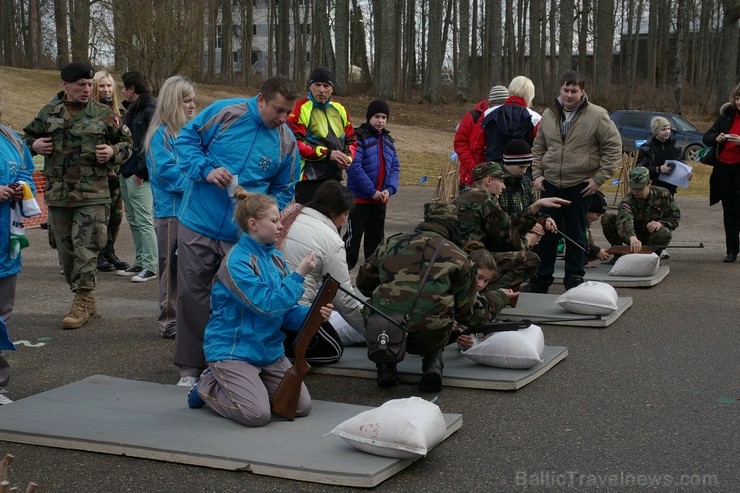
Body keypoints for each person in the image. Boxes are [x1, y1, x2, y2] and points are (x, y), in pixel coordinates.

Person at [172, 75, 300, 387]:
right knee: (192, 295)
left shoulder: (286, 142)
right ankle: (190, 367)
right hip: (199, 221)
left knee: (236, 299)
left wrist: (267, 215)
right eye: (277, 110)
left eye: (287, 113)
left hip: (242, 236)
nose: (282, 119)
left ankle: (229, 363)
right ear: (261, 100)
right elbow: (186, 140)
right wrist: (206, 170)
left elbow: (285, 188)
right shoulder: (225, 112)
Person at [186, 190, 332, 427]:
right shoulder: (237, 262)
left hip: (268, 351)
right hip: (233, 350)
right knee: (257, 415)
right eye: (274, 221)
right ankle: (207, 385)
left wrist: (313, 315)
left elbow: (287, 313)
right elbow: (268, 306)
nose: (280, 226)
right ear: (253, 224)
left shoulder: (275, 258)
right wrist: (298, 275)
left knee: (299, 406)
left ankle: (246, 385)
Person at [23, 62, 133, 329]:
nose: (86, 89)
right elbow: (25, 140)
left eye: (89, 84)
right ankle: (83, 294)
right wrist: (34, 145)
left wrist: (112, 153)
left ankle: (83, 299)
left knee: (86, 248)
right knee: (66, 251)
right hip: (59, 195)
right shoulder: (49, 113)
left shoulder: (103, 113)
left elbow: (127, 144)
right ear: (65, 85)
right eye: (80, 85)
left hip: (93, 194)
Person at [356, 202, 503, 391]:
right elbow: (468, 312)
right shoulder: (459, 257)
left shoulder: (390, 243)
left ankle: (386, 365)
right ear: (452, 226)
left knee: (373, 306)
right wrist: (498, 298)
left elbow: (363, 283)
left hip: (387, 328)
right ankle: (433, 365)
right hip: (431, 333)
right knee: (441, 310)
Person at [527, 71, 622, 292]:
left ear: (582, 91)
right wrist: (537, 174)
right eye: (566, 90)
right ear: (560, 89)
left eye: (574, 91)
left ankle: (574, 279)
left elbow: (613, 147)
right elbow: (539, 146)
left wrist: (598, 179)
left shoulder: (597, 115)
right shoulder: (549, 114)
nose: (569, 95)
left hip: (579, 185)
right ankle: (541, 280)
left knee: (575, 233)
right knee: (546, 234)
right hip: (550, 183)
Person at [454, 162, 567, 291]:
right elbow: (511, 242)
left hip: (461, 257)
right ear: (489, 181)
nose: (503, 186)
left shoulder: (463, 196)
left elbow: (505, 225)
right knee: (530, 260)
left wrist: (535, 207)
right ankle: (482, 289)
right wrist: (529, 240)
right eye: (501, 181)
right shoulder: (485, 200)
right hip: (474, 260)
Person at [278, 180, 365, 348]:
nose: (346, 220)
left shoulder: (290, 214)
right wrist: (376, 333)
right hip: (297, 317)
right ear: (332, 211)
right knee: (355, 324)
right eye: (345, 214)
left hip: (272, 305)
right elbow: (345, 299)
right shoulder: (332, 241)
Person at [143, 75, 196, 339]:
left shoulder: (187, 133)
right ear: (174, 103)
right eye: (186, 101)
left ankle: (186, 318)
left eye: (193, 101)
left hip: (189, 212)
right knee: (169, 269)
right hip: (170, 213)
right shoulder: (161, 135)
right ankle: (169, 320)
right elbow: (167, 174)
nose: (192, 106)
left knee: (187, 269)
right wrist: (199, 182)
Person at [0, 102, 38, 404]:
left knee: (2, 312)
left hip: (6, 244)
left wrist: (21, 187)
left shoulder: (11, 139)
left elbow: (27, 172)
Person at [287, 66, 357, 204]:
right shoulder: (300, 108)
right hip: (309, 181)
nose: (321, 90)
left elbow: (352, 141)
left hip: (334, 179)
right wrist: (328, 154)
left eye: (326, 86)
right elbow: (295, 145)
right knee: (309, 224)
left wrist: (347, 159)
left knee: (332, 224)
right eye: (317, 85)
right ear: (310, 86)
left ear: (332, 89)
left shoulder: (340, 109)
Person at [344, 99, 400, 270]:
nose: (380, 121)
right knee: (352, 241)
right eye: (377, 116)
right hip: (360, 200)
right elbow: (353, 166)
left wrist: (389, 190)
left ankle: (370, 278)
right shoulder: (358, 137)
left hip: (380, 201)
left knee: (376, 243)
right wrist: (371, 191)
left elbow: (395, 167)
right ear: (369, 117)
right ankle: (340, 273)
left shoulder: (389, 141)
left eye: (384, 117)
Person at [117, 71, 158, 282]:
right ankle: (140, 261)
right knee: (133, 219)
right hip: (127, 171)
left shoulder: (150, 109)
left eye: (124, 87)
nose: (121, 91)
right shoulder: (132, 109)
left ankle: (150, 265)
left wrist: (142, 172)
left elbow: (151, 144)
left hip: (139, 175)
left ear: (132, 88)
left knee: (143, 220)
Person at [91, 70, 129, 273]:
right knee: (99, 216)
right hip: (97, 174)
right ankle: (96, 253)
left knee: (115, 215)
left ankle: (109, 250)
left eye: (108, 86)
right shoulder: (91, 112)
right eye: (102, 86)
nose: (106, 89)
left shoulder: (118, 113)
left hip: (116, 172)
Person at [600, 167, 680, 256]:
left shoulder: (663, 195)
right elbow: (625, 219)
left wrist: (660, 223)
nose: (636, 192)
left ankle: (654, 255)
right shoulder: (627, 201)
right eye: (633, 188)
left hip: (651, 236)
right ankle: (619, 252)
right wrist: (632, 237)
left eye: (640, 188)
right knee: (607, 218)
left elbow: (675, 217)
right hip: (632, 236)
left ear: (649, 183)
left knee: (664, 232)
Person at [703, 83, 740, 263]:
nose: (739, 102)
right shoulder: (726, 116)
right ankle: (731, 250)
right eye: (738, 98)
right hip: (723, 169)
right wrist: (716, 137)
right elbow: (706, 137)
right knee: (729, 210)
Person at [453, 85, 508, 190]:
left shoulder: (505, 118)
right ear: (491, 103)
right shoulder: (473, 116)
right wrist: (475, 168)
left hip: (496, 179)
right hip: (472, 177)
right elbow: (460, 143)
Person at [483, 75, 541, 164]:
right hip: (525, 171)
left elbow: (477, 145)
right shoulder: (535, 118)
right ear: (530, 95)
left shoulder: (488, 114)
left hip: (494, 170)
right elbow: (540, 148)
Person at [636, 117, 682, 196]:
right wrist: (658, 169)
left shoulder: (675, 147)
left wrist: (686, 174)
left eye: (668, 129)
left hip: (670, 188)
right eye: (663, 129)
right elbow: (640, 169)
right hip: (653, 187)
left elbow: (680, 163)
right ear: (655, 131)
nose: (667, 131)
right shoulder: (647, 148)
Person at [498, 139, 537, 216]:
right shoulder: (495, 183)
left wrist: (544, 220)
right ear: (508, 163)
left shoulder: (526, 182)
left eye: (527, 167)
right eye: (521, 167)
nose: (524, 171)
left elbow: (532, 210)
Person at [584, 190, 611, 265]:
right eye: (598, 215)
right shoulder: (573, 219)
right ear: (587, 209)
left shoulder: (582, 220)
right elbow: (575, 240)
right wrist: (596, 251)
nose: (598, 218)